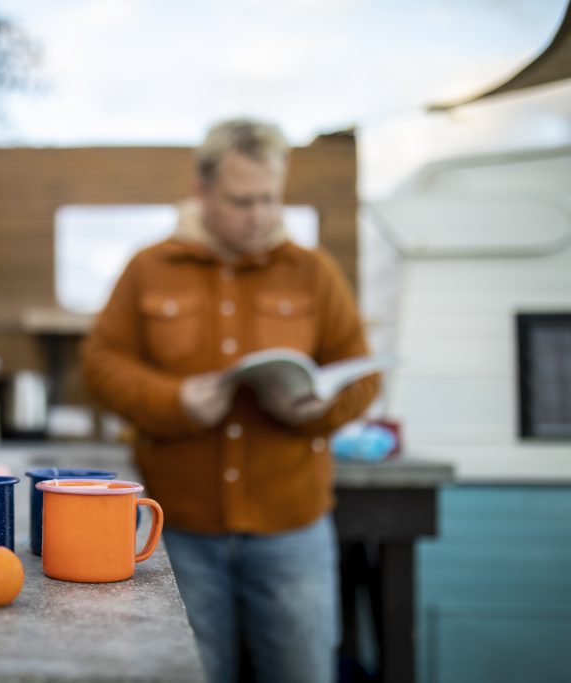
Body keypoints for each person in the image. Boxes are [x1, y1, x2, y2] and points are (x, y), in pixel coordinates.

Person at [81, 118, 380, 683]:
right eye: (243, 200)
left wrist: (320, 409)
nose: (260, 215)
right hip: (177, 530)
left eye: (271, 199)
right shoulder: (148, 268)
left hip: (294, 529)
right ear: (202, 191)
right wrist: (173, 401)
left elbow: (362, 376)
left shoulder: (313, 272)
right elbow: (100, 367)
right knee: (189, 673)